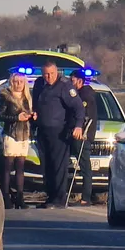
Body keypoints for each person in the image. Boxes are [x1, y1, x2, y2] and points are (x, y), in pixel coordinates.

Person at [31, 62, 84, 209]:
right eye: (46, 74)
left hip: (59, 132)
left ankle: (59, 198)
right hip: (42, 131)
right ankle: (50, 196)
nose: (49, 77)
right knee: (46, 165)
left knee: (58, 166)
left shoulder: (64, 86)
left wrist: (78, 126)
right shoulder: (39, 84)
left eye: (52, 74)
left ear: (57, 72)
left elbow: (78, 107)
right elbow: (36, 104)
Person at [0, 73, 35, 209]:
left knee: (20, 167)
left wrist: (32, 115)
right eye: (16, 81)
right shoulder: (6, 96)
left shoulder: (27, 98)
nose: (18, 84)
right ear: (12, 82)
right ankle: (6, 196)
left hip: (24, 134)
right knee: (8, 167)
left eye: (21, 82)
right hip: (11, 134)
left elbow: (29, 113)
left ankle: (19, 196)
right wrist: (16, 117)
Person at [70, 69, 99, 207]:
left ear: (80, 81)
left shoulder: (85, 96)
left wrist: (80, 129)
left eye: (73, 80)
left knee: (85, 167)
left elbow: (85, 116)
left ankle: (86, 197)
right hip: (77, 134)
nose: (71, 83)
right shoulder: (78, 95)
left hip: (83, 136)